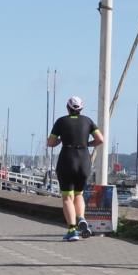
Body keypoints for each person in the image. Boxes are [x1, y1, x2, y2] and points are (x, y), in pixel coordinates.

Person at [47, 96, 104, 241]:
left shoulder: (61, 121)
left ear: (68, 108)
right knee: (79, 194)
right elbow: (100, 139)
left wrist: (61, 139)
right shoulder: (88, 121)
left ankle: (72, 230)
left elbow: (51, 142)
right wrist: (87, 144)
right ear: (81, 109)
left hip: (67, 158)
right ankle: (81, 218)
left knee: (67, 197)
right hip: (84, 159)